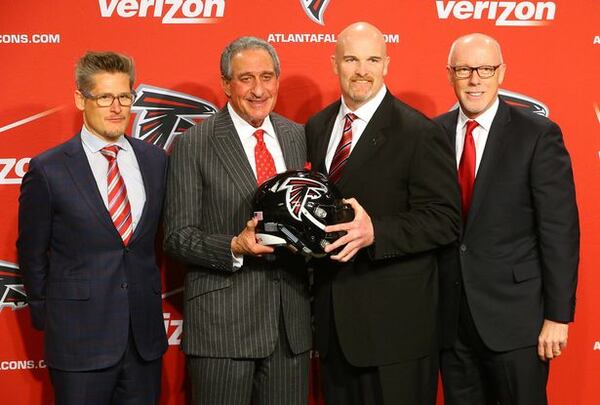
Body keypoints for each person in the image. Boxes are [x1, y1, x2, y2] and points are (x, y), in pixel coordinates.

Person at [305, 22, 461, 405]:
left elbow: (445, 218)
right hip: (334, 328)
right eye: (352, 59)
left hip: (398, 333)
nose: (362, 70)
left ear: (387, 64)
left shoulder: (419, 131)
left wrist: (376, 232)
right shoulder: (317, 126)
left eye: (372, 59)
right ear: (334, 64)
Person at [163, 36, 310, 404]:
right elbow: (177, 236)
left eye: (267, 76)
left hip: (288, 326)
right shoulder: (194, 143)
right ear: (226, 84)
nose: (258, 89)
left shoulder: (297, 135)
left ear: (278, 79)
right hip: (222, 326)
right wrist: (233, 245)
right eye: (246, 78)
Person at [435, 33, 579, 405]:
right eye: (465, 69)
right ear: (450, 74)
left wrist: (557, 317)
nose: (474, 79)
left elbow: (559, 231)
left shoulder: (537, 135)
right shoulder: (431, 135)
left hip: (518, 321)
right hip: (451, 324)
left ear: (502, 73)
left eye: (485, 69)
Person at [17, 51, 168, 404]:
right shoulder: (49, 169)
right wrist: (52, 315)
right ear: (80, 99)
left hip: (142, 342)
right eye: (104, 97)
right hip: (78, 342)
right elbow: (31, 252)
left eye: (124, 96)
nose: (117, 107)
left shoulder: (155, 160)